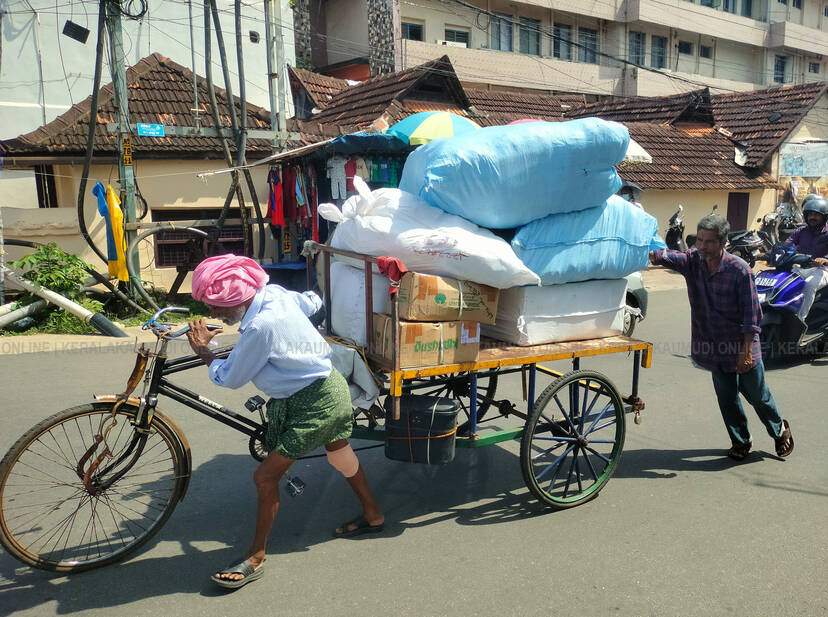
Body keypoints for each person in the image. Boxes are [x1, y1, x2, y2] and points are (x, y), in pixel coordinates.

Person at [185, 254, 384, 590]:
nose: (215, 314)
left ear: (240, 296)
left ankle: (255, 557)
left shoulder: (262, 326)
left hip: (316, 403)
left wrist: (204, 352)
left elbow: (231, 377)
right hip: (321, 388)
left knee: (265, 478)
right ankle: (374, 514)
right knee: (339, 455)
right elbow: (310, 302)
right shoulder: (274, 294)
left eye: (218, 306)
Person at [650, 214, 794, 462]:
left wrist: (746, 352)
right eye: (699, 240)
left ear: (722, 242)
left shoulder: (740, 270)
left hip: (742, 344)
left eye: (708, 242)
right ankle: (741, 441)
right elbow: (670, 257)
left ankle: (779, 430)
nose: (702, 246)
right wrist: (651, 253)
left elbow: (752, 316)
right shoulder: (693, 261)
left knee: (757, 396)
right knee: (727, 398)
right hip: (714, 346)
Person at [784, 193, 828, 333]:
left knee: (809, 285)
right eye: (809, 214)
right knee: (784, 282)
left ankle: (800, 320)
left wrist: (825, 259)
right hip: (802, 267)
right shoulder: (800, 231)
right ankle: (782, 313)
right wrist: (771, 253)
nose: (812, 217)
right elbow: (786, 245)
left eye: (816, 215)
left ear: (824, 216)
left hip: (823, 270)